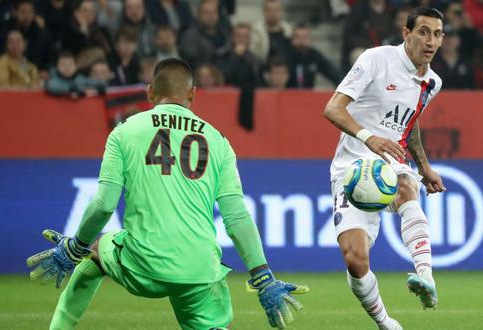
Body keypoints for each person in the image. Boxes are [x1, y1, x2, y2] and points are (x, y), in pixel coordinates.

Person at [27, 58, 307, 330]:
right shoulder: (219, 142)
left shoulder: (124, 132)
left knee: (98, 249)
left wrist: (76, 248)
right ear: (192, 94)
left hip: (142, 264)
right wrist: (263, 276)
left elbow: (103, 205)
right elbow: (236, 218)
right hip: (198, 270)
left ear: (150, 92)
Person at [323, 6, 445, 330]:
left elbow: (411, 122)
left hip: (393, 159)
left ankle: (426, 277)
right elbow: (333, 107)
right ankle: (384, 321)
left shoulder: (432, 82)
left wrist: (424, 166)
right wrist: (369, 138)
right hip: (352, 166)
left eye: (437, 34)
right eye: (423, 31)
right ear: (406, 33)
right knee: (355, 258)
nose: (430, 40)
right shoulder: (376, 59)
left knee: (408, 190)